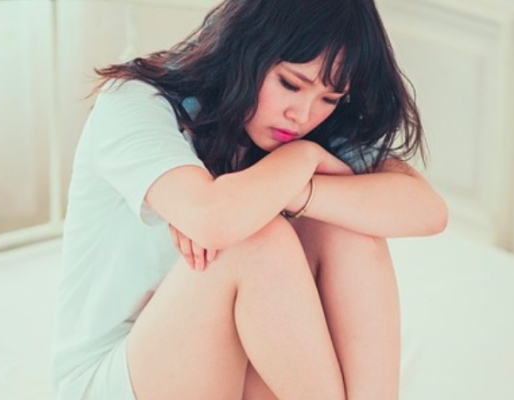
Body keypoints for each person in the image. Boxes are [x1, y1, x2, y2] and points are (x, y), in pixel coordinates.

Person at [50, 0, 448, 399]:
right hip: (113, 379)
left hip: (225, 369)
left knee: (346, 226)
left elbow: (428, 211)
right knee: (255, 240)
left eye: (329, 99)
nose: (303, 115)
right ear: (245, 50)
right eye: (290, 84)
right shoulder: (137, 102)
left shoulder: (301, 128)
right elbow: (215, 220)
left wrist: (298, 188)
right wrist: (301, 158)